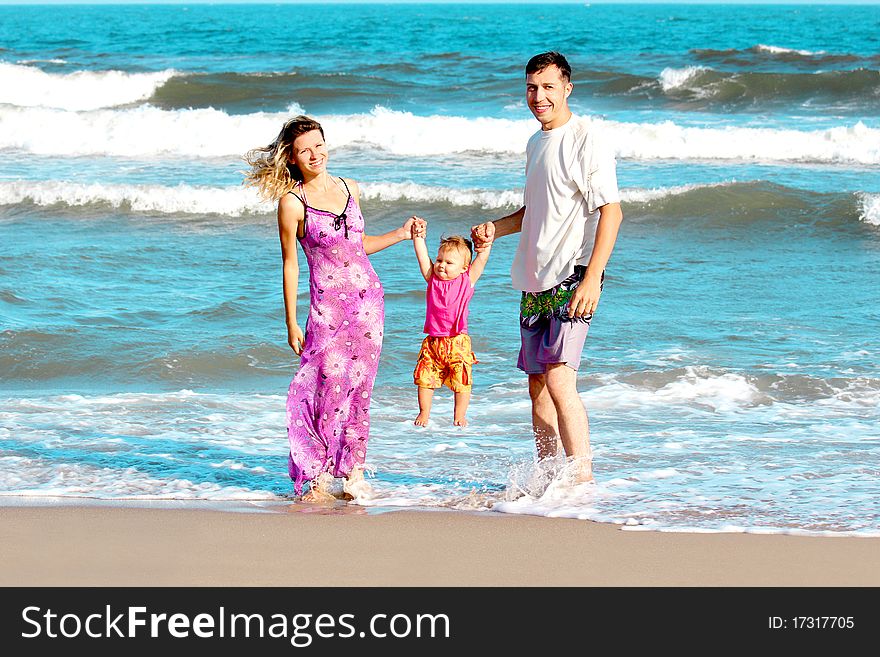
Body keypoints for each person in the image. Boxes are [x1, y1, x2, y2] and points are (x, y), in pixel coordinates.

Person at [244, 115, 426, 502]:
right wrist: (292, 320)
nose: (315, 154)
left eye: (318, 144)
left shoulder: (350, 187)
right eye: (304, 150)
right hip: (327, 312)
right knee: (325, 387)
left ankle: (353, 473)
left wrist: (399, 233)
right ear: (292, 158)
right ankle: (316, 476)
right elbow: (290, 263)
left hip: (369, 306)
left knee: (360, 390)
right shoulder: (293, 203)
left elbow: (357, 247)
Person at [471, 52, 623, 483]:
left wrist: (592, 277)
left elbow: (611, 211)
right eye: (531, 88)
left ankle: (582, 480)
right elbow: (532, 211)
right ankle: (549, 479)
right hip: (535, 278)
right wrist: (495, 229)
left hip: (573, 273)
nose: (539, 96)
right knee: (537, 385)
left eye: (548, 87)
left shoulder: (585, 137)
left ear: (567, 88)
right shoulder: (535, 142)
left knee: (559, 379)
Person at [411, 231, 491, 428]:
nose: (441, 265)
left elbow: (481, 260)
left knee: (462, 380)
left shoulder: (466, 280)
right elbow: (422, 257)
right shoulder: (432, 279)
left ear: (464, 267)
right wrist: (418, 237)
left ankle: (459, 415)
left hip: (457, 341)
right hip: (433, 342)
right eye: (439, 260)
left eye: (449, 262)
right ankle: (424, 412)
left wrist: (486, 243)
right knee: (424, 378)